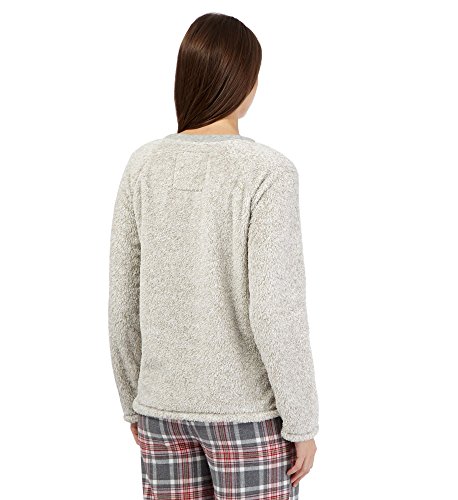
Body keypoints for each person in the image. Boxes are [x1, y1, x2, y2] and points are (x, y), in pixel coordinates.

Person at [108, 12, 319, 499]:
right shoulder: (267, 172)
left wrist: (132, 399)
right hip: (246, 415)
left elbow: (122, 301)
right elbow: (276, 308)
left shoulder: (143, 166)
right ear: (245, 81)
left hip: (160, 413)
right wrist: (302, 419)